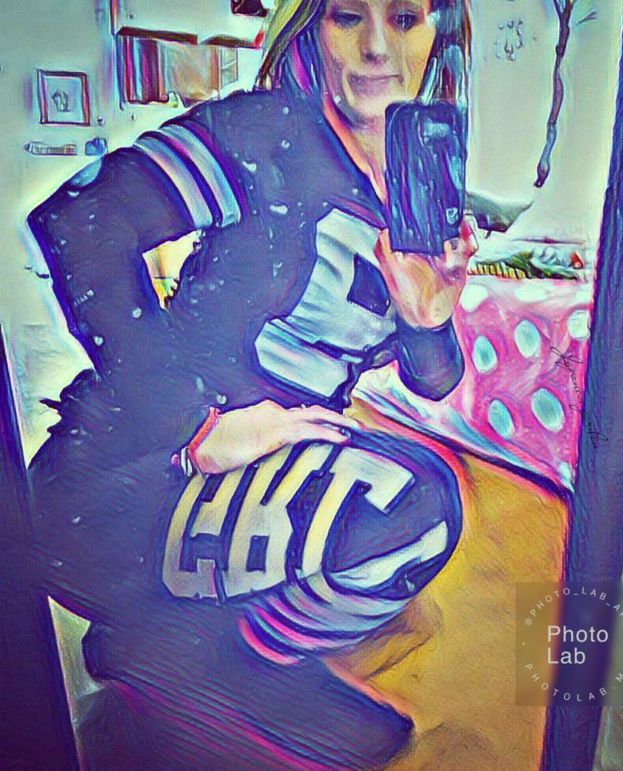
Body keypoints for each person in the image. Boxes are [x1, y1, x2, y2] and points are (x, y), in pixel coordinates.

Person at [27, 0, 476, 767]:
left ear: (443, 32)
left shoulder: (412, 181)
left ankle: (194, 646)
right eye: (347, 17)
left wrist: (427, 319)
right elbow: (82, 219)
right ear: (311, 27)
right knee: (411, 507)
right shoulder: (268, 131)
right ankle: (223, 662)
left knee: (409, 512)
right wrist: (195, 424)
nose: (376, 47)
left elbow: (432, 380)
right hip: (120, 483)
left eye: (405, 18)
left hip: (245, 475)